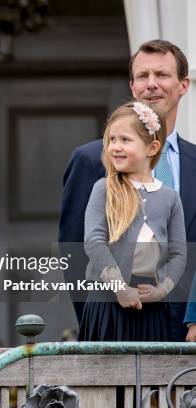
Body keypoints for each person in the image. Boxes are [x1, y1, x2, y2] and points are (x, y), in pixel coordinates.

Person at [58, 39, 196, 341]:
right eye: (143, 76)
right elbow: (76, 250)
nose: (152, 84)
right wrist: (100, 318)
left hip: (188, 332)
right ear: (132, 86)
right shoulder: (90, 160)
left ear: (184, 84)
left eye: (161, 75)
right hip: (114, 322)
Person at [79, 101, 186, 341]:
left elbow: (179, 253)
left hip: (153, 308)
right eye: (112, 140)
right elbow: (94, 241)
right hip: (107, 302)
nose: (115, 147)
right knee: (106, 374)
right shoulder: (104, 189)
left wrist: (161, 291)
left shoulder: (170, 198)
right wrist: (120, 289)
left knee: (149, 375)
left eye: (125, 140)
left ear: (152, 147)